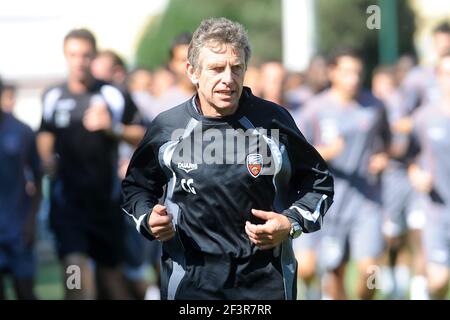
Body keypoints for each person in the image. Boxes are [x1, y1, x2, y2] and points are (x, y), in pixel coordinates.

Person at [121, 17, 334, 300]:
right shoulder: (167, 128)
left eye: (236, 68)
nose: (228, 79)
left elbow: (318, 184)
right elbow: (135, 187)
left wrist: (290, 224)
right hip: (191, 285)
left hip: (265, 285)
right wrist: (149, 218)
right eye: (216, 69)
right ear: (192, 71)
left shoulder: (273, 121)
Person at [37, 28, 145, 299]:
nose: (79, 61)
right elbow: (45, 134)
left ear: (93, 56)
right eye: (73, 55)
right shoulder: (53, 96)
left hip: (106, 206)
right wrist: (46, 159)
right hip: (68, 206)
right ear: (65, 56)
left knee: (112, 281)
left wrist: (113, 128)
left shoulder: (112, 94)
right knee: (75, 279)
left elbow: (143, 135)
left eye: (85, 55)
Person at [300, 48, 391, 300]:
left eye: (358, 72)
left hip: (366, 203)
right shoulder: (315, 109)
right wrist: (325, 152)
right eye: (347, 72)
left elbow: (387, 144)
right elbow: (297, 154)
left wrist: (383, 157)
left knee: (370, 273)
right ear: (332, 73)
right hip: (330, 204)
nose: (354, 78)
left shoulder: (374, 107)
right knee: (333, 272)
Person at [408, 52, 450, 299]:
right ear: (438, 77)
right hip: (438, 210)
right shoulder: (423, 118)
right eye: (447, 74)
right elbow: (409, 158)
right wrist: (416, 175)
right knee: (438, 281)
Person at [0, 78, 42, 299]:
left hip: (18, 229)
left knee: (25, 292)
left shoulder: (22, 130)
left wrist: (31, 220)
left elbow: (38, 176)